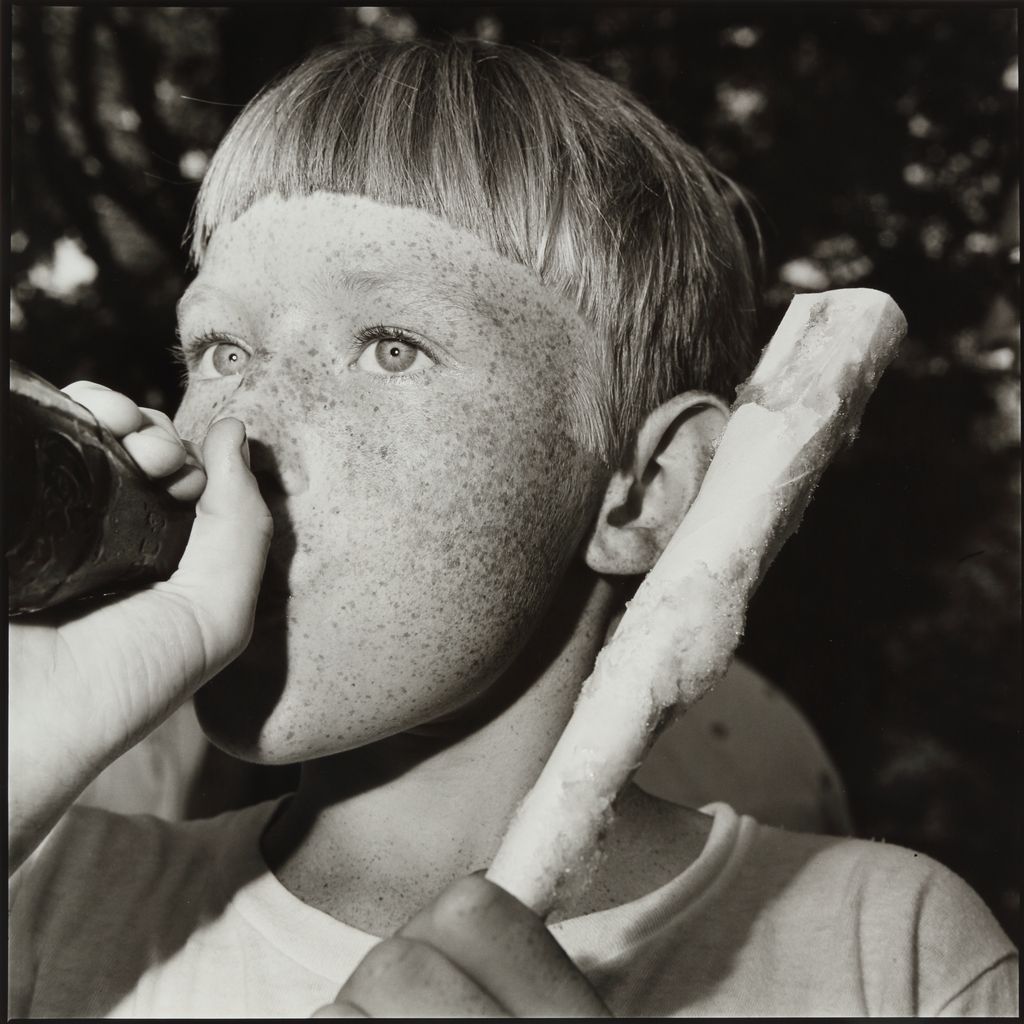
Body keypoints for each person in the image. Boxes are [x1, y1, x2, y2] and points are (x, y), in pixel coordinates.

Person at [8, 39, 1017, 1017]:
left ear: (641, 493)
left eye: (390, 348)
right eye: (223, 352)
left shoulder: (888, 951)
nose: (240, 434)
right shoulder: (49, 908)